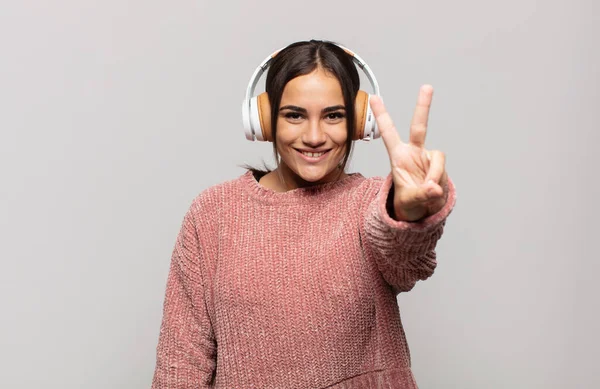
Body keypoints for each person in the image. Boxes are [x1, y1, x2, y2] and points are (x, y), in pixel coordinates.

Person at [150, 39, 457, 389]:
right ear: (263, 120)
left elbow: (405, 260)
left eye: (333, 115)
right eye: (294, 115)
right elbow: (182, 363)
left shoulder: (372, 202)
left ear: (359, 122)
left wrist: (408, 212)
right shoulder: (213, 214)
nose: (314, 136)